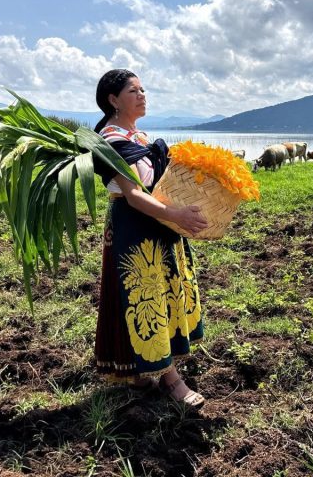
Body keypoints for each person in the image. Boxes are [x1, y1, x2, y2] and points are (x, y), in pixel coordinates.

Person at [93, 69, 208, 407]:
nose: (142, 95)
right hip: (134, 227)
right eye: (133, 90)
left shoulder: (139, 137)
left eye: (143, 89)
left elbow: (160, 183)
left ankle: (140, 372)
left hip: (158, 225)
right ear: (113, 100)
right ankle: (171, 380)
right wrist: (175, 215)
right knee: (146, 300)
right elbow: (132, 195)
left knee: (159, 294)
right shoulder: (111, 140)